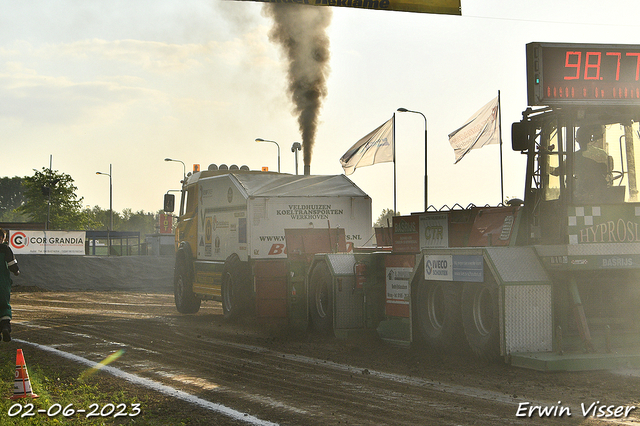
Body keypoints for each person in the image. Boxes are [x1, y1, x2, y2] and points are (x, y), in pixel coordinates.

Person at [573, 125, 613, 200]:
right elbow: (608, 171)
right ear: (590, 139)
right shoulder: (602, 153)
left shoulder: (574, 157)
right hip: (602, 194)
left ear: (577, 139)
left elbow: (560, 170)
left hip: (581, 195)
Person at [0, 228, 19, 342]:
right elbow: (12, 264)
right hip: (3, 283)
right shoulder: (6, 249)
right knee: (4, 305)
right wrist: (16, 271)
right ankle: (6, 327)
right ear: (3, 238)